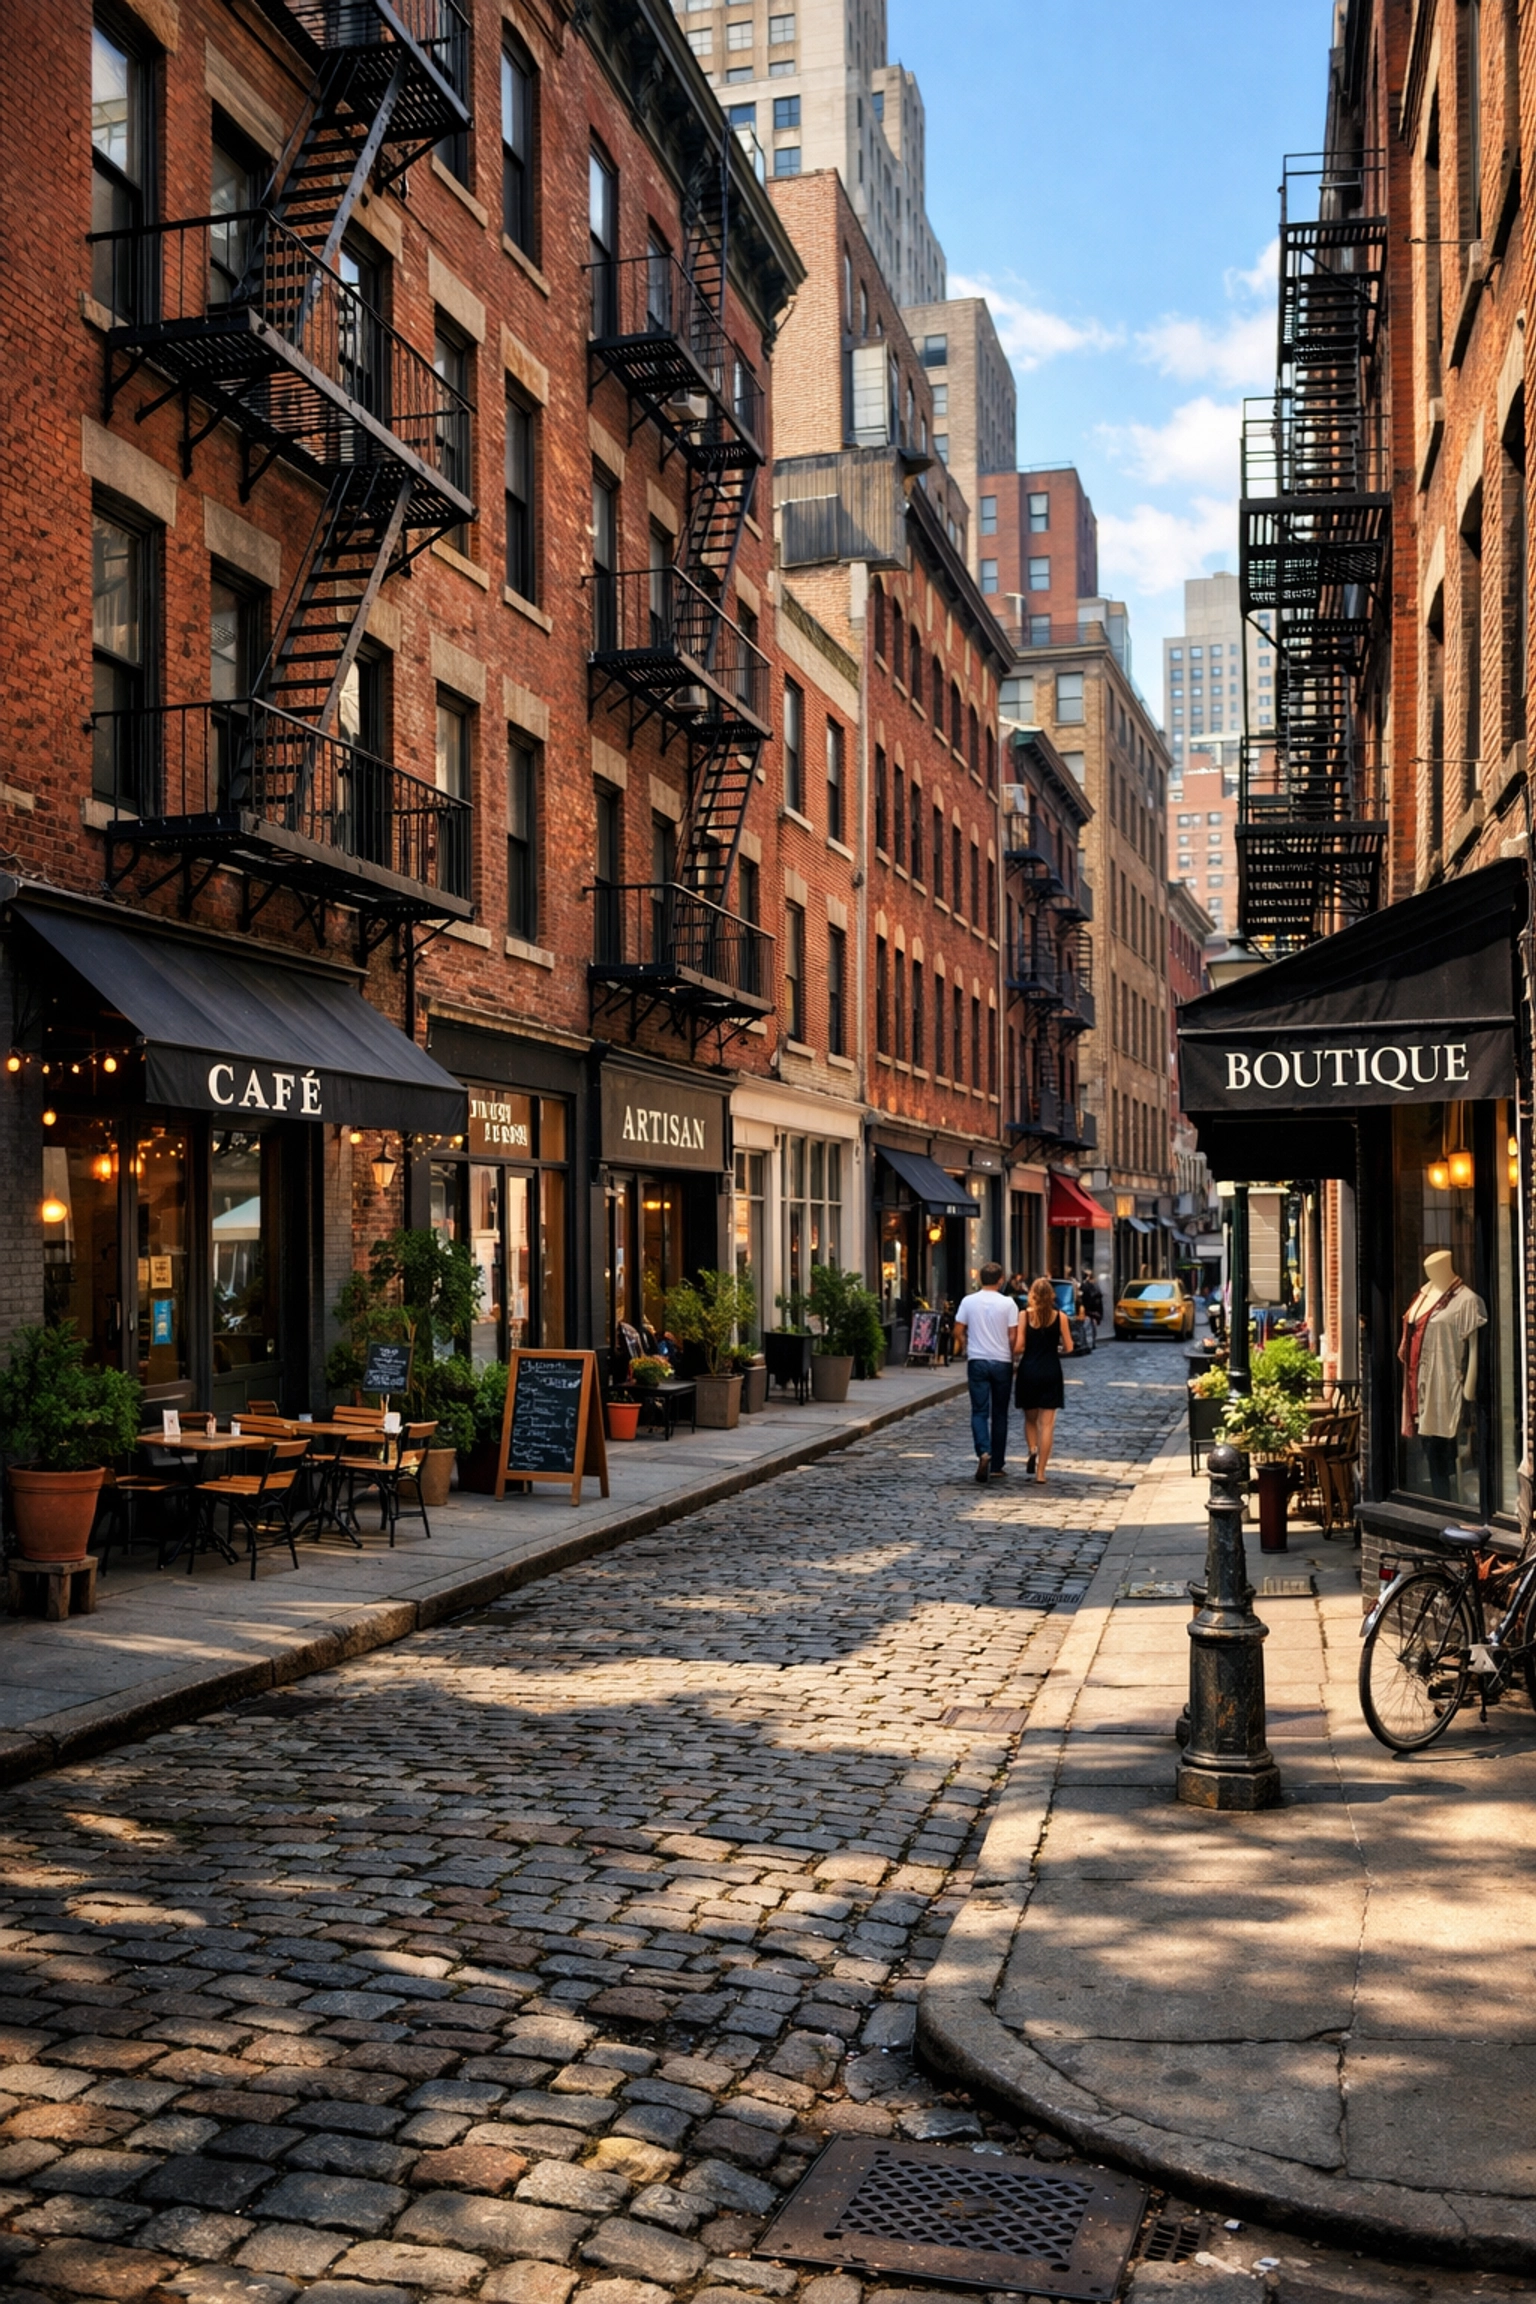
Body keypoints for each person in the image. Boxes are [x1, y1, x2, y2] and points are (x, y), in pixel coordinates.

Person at [953, 1261, 1019, 1484]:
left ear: (980, 1280)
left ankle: (984, 1451)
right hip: (1001, 1361)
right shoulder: (1008, 1303)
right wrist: (1012, 1358)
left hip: (978, 1360)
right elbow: (1013, 1336)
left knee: (979, 1411)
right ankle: (998, 1464)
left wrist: (963, 1345)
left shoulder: (968, 1301)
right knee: (1000, 1413)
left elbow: (958, 1329)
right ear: (1001, 1280)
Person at [1016, 1273, 1074, 1483]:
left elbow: (1019, 1346)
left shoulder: (1025, 1316)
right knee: (1047, 1425)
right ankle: (1041, 1473)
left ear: (1032, 1295)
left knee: (1030, 1419)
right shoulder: (1061, 1317)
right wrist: (1054, 1346)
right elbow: (1069, 1347)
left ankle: (1032, 1449)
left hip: (1028, 1371)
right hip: (1051, 1370)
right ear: (1051, 1295)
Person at [1080, 1268, 1104, 1345]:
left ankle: (1090, 1341)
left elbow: (1092, 1297)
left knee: (1089, 1324)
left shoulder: (1089, 1285)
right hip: (1092, 1308)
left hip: (1090, 1308)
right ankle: (1092, 1341)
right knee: (1091, 1324)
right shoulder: (1093, 1285)